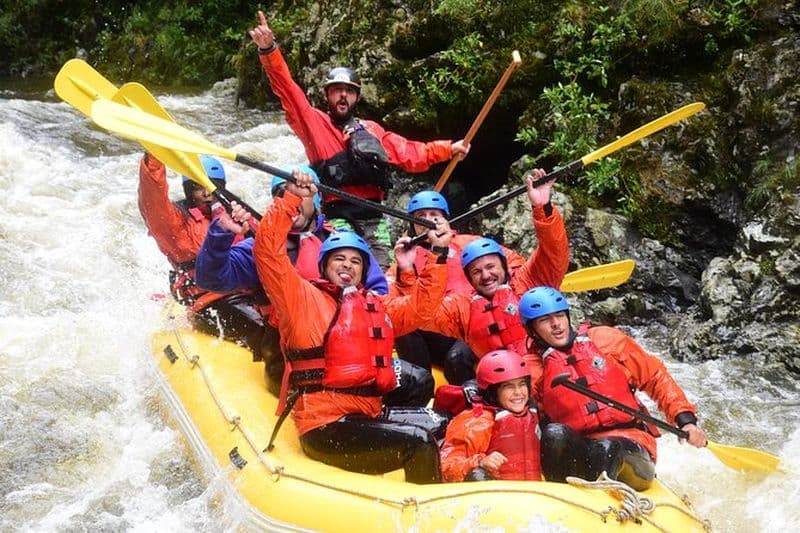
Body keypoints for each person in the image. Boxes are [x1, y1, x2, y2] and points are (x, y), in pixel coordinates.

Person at [252, 172, 455, 483]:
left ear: (363, 271)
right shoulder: (300, 298)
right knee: (419, 442)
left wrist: (438, 255)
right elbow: (267, 252)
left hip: (366, 414)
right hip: (325, 426)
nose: (347, 265)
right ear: (324, 266)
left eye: (355, 261)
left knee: (444, 422)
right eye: (339, 259)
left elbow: (421, 309)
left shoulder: (374, 305)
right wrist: (291, 198)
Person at [249, 10, 470, 269]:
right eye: (337, 91)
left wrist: (447, 149)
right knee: (347, 268)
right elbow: (287, 89)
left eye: (349, 92)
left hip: (374, 216)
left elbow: (410, 152)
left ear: (357, 98)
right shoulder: (313, 123)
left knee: (384, 274)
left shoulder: (371, 129)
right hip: (337, 217)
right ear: (327, 95)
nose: (343, 96)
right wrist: (269, 50)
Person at [194, 166, 389, 394]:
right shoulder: (260, 248)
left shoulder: (345, 247)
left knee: (417, 379)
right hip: (292, 362)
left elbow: (378, 293)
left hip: (352, 354)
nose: (293, 199)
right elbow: (210, 280)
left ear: (316, 201)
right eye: (282, 193)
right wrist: (221, 233)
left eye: (302, 193)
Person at [518, 286, 708, 490]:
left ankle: (603, 504)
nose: (556, 324)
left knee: (606, 448)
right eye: (544, 320)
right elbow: (520, 418)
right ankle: (562, 498)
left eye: (559, 316)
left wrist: (685, 420)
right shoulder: (531, 368)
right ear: (532, 330)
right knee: (554, 434)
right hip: (580, 449)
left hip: (631, 446)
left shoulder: (606, 340)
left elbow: (655, 377)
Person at [423, 170, 570, 376]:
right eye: (476, 271)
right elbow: (420, 311)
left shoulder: (528, 281)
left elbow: (554, 251)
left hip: (546, 372)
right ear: (470, 279)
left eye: (491, 267)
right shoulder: (461, 309)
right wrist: (435, 254)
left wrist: (542, 207)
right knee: (456, 359)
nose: (485, 275)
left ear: (504, 265)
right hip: (503, 385)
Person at [388, 190, 528, 385]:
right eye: (421, 216)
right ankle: (418, 385)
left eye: (434, 215)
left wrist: (496, 291)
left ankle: (476, 396)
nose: (428, 220)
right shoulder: (403, 259)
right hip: (435, 327)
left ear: (445, 219)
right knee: (405, 328)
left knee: (457, 357)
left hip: (471, 325)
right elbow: (393, 307)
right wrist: (406, 270)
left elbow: (515, 266)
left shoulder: (470, 243)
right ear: (413, 224)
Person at [137, 151, 263, 349]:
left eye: (212, 186)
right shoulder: (176, 223)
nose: (206, 193)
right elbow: (152, 201)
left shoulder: (239, 214)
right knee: (262, 332)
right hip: (210, 302)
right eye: (198, 188)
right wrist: (154, 159)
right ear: (188, 191)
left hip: (253, 294)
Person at [440, 350, 542, 482]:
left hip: (534, 495)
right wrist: (479, 462)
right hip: (493, 496)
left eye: (522, 384)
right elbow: (445, 467)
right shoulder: (477, 422)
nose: (518, 392)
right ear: (493, 392)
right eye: (508, 386)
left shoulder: (531, 414)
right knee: (478, 474)